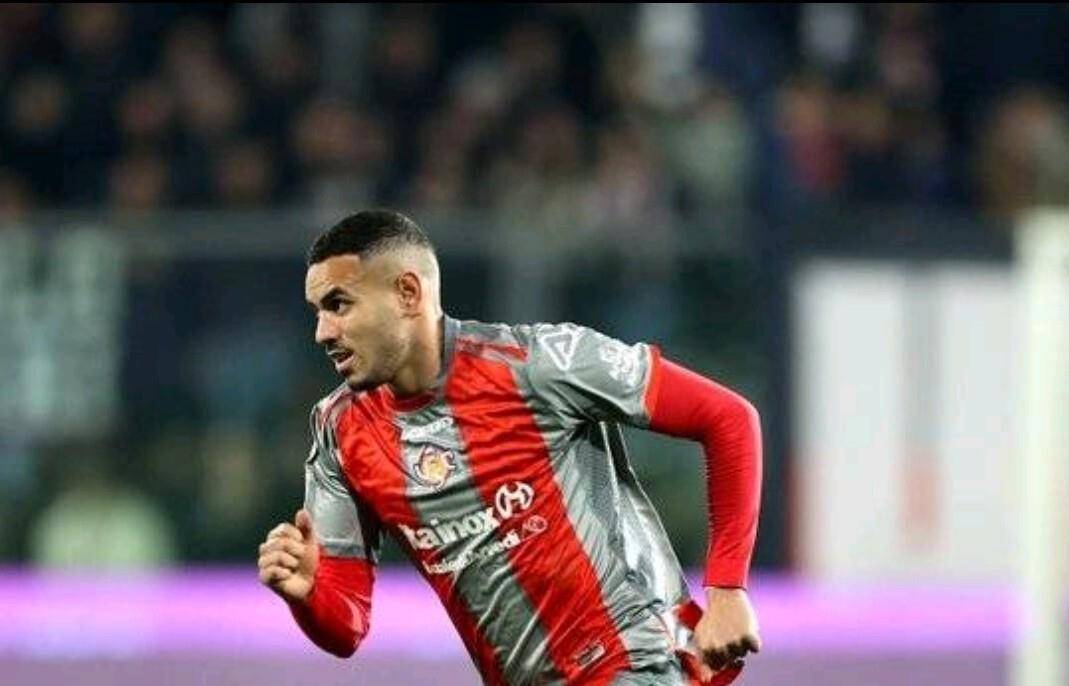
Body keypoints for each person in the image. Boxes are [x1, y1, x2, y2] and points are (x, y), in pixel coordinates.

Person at [257, 209, 762, 685]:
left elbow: (729, 418)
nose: (322, 332)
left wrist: (726, 589)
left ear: (408, 293)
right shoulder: (340, 430)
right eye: (318, 312)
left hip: (636, 656)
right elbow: (345, 628)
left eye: (339, 304)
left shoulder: (539, 364)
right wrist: (308, 596)